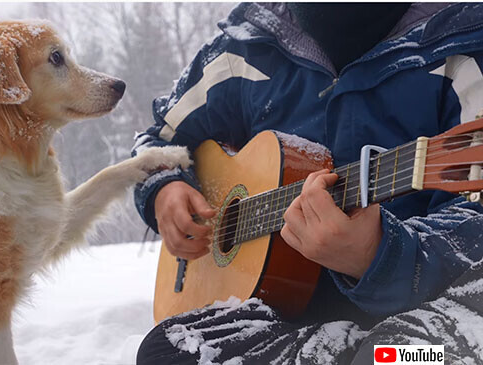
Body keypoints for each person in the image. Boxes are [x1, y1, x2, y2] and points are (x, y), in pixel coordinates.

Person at [131, 3, 483, 364]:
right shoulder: (249, 43)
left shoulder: (463, 41)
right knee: (170, 350)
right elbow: (161, 137)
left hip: (426, 312)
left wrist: (379, 254)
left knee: (401, 358)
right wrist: (164, 186)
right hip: (294, 319)